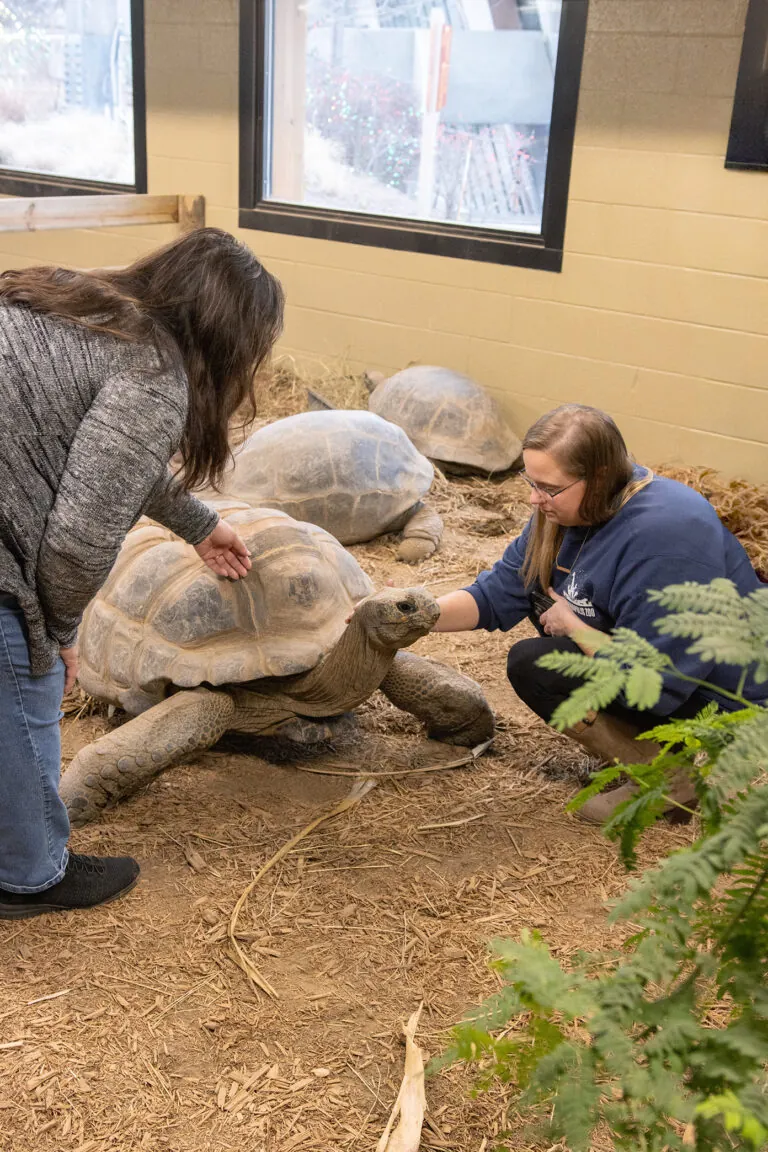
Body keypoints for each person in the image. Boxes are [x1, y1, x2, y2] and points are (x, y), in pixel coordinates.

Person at [0, 227, 284, 917]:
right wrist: (58, 632)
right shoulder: (154, 374)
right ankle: (33, 875)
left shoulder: (72, 302)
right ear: (228, 338)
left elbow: (107, 457)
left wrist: (198, 525)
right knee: (26, 684)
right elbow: (76, 540)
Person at [434, 404, 765, 823]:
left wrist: (574, 625)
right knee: (538, 661)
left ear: (600, 477)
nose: (534, 499)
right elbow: (500, 591)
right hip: (638, 661)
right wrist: (416, 614)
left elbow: (660, 676)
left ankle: (665, 781)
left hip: (718, 689)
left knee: (540, 665)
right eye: (530, 482)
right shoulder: (564, 511)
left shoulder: (666, 535)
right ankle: (652, 753)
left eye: (548, 488)